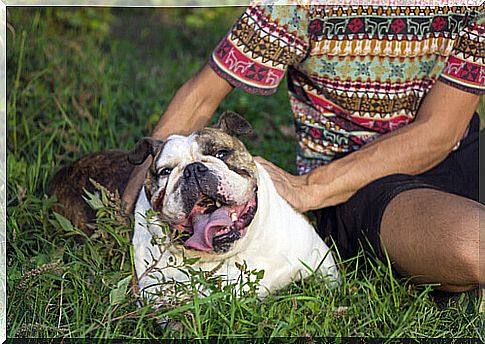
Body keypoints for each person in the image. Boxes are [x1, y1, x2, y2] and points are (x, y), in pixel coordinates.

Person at [123, 3, 484, 304]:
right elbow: (202, 96)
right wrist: (129, 199)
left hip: (463, 150)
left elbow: (440, 129)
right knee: (474, 245)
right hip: (358, 184)